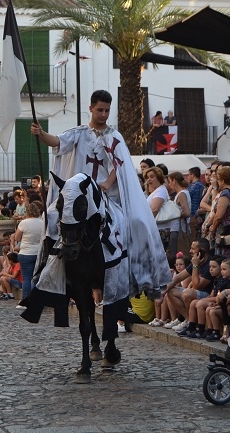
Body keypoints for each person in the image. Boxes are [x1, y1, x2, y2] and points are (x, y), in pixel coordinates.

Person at [31, 90, 170, 357]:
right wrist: (40, 134)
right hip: (81, 199)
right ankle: (49, 273)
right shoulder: (79, 134)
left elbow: (120, 165)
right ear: (91, 108)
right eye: (100, 110)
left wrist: (106, 184)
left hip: (107, 197)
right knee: (51, 218)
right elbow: (56, 141)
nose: (104, 115)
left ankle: (137, 271)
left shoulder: (114, 137)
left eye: (107, 111)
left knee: (138, 222)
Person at [202, 166, 230, 273]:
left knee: (225, 262)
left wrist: (212, 229)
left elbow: (219, 215)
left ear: (222, 180)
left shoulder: (226, 193)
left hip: (226, 233)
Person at [166, 172, 191, 260]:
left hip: (178, 229)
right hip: (177, 228)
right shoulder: (182, 193)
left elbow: (187, 212)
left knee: (175, 255)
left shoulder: (181, 194)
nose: (169, 184)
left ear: (174, 181)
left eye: (169, 182)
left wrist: (174, 214)